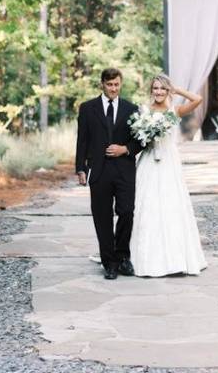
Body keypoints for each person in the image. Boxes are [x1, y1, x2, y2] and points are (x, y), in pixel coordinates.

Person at [130, 74, 208, 277]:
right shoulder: (144, 112)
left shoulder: (175, 111)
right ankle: (145, 258)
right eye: (155, 88)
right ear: (151, 90)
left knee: (170, 205)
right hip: (149, 160)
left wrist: (178, 90)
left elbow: (198, 99)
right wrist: (146, 134)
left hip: (169, 162)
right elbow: (138, 138)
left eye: (162, 89)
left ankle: (176, 258)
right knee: (146, 205)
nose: (158, 92)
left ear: (167, 91)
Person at [75, 68, 143, 280]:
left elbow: (140, 140)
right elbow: (82, 140)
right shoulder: (87, 109)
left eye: (116, 85)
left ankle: (123, 257)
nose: (113, 88)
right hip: (100, 171)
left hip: (124, 169)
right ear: (102, 84)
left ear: (120, 84)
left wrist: (125, 149)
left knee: (126, 212)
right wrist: (81, 168)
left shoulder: (132, 109)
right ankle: (109, 262)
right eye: (109, 84)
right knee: (102, 217)